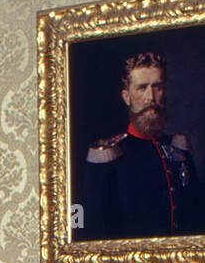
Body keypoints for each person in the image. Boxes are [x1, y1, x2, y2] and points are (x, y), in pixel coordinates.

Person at [75, 51, 202, 240]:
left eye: (157, 87)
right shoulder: (107, 156)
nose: (151, 97)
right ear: (127, 97)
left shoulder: (179, 149)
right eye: (142, 88)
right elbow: (93, 232)